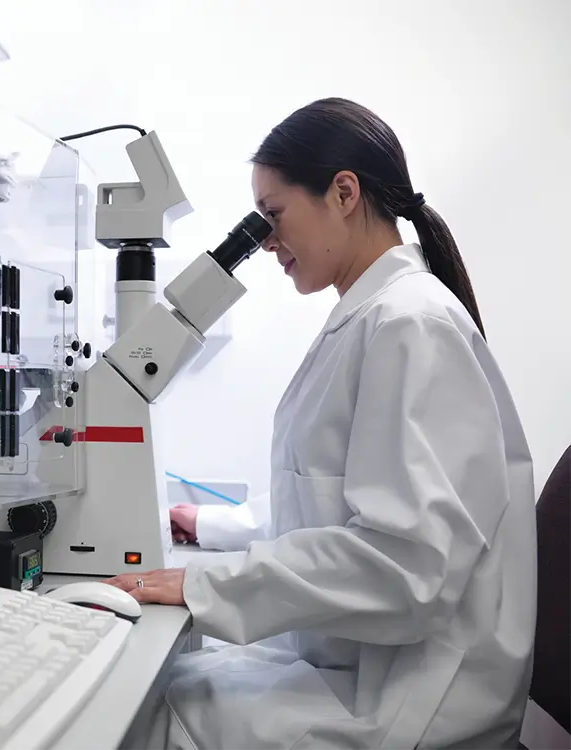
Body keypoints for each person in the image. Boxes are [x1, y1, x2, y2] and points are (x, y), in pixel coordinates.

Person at [104, 97, 537, 750]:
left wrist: (204, 585)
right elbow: (335, 504)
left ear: (342, 193)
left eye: (273, 217)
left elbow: (406, 565)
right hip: (364, 667)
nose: (268, 242)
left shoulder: (408, 324)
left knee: (139, 714)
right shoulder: (375, 317)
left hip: (411, 699)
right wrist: (212, 527)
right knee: (172, 678)